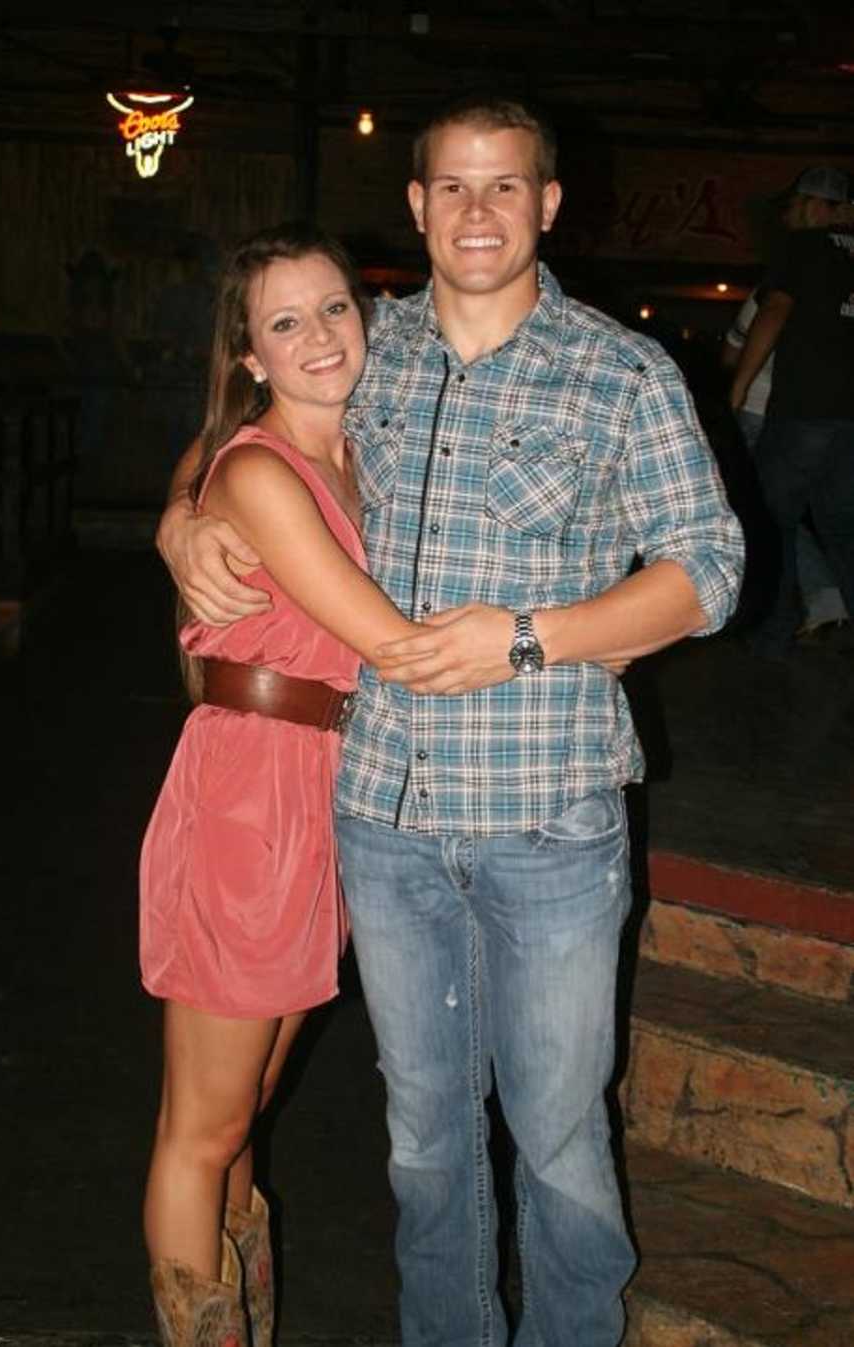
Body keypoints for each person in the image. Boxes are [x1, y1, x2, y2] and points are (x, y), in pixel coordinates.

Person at [158, 99, 744, 1347]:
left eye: (507, 187)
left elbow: (710, 574)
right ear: (417, 208)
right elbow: (247, 434)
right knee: (425, 1146)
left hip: (549, 822)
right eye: (455, 189)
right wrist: (183, 520)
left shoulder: (622, 372)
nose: (480, 212)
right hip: (382, 819)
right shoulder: (375, 351)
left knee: (562, 1139)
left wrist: (527, 635)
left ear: (549, 202)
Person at [140, 223, 427, 1347]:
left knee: (246, 1106)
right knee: (201, 1125)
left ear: (370, 317)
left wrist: (175, 503)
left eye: (336, 309)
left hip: (319, 787)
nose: (319, 336)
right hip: (253, 793)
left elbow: (199, 453)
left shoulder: (361, 441)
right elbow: (386, 641)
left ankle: (238, 1318)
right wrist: (567, 645)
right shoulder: (262, 469)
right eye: (285, 321)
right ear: (249, 352)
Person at [730, 165, 854, 656]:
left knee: (770, 522)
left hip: (804, 409)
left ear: (826, 207)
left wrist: (739, 384)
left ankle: (772, 632)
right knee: (844, 528)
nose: (792, 213)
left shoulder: (804, 249)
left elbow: (774, 311)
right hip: (850, 417)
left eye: (800, 202)